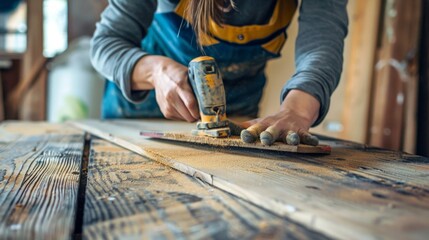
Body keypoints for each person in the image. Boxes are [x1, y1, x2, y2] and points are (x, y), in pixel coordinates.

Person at [90, 0, 348, 145]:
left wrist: (298, 110)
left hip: (238, 116)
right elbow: (106, 43)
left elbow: (322, 41)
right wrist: (156, 72)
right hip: (140, 114)